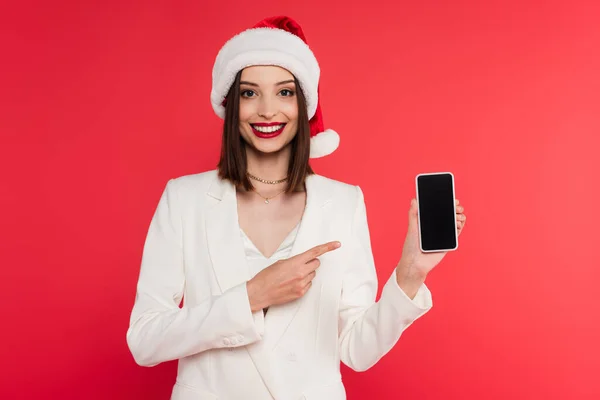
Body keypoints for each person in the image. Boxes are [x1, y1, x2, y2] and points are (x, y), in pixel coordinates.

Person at [126, 16, 467, 400]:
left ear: (304, 104)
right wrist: (252, 296)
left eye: (285, 93)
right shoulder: (184, 198)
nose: (268, 110)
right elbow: (145, 340)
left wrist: (410, 273)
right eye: (250, 93)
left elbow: (357, 350)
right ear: (230, 102)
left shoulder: (343, 202)